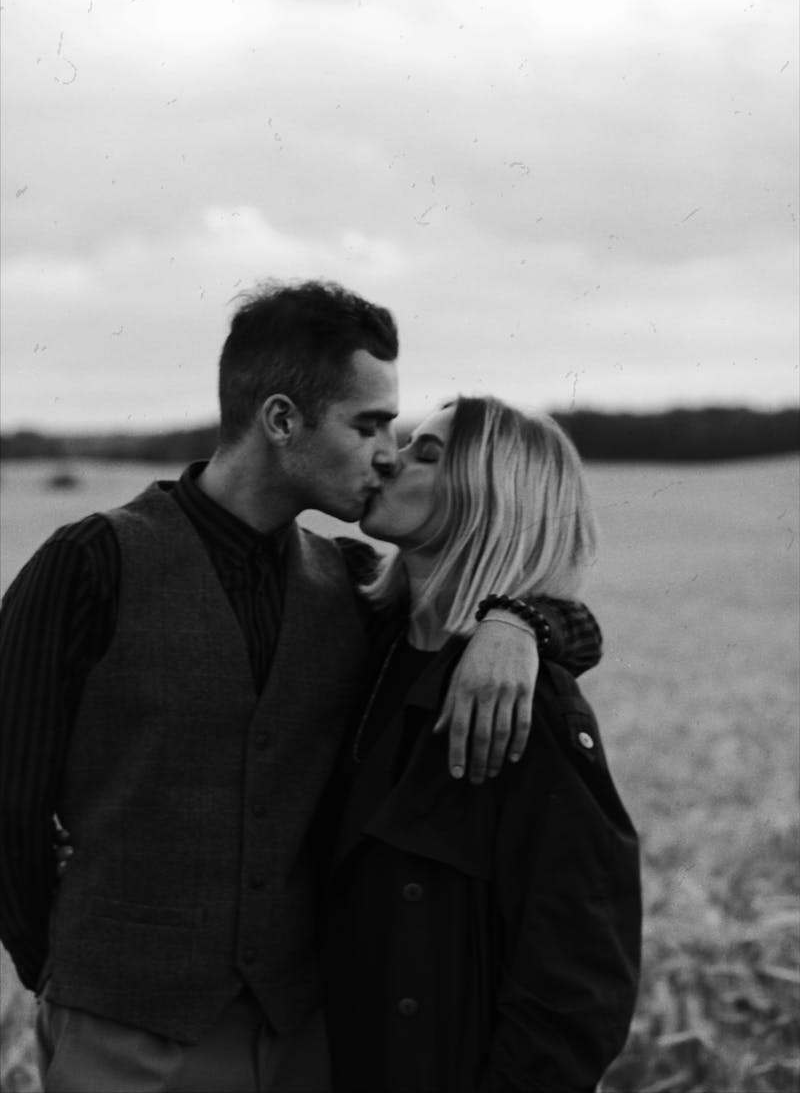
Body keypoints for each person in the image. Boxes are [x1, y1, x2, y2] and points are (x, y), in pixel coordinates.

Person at [0, 281, 602, 1093]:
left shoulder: (351, 586)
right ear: (282, 421)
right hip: (121, 1032)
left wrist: (520, 622)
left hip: (305, 1040)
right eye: (368, 424)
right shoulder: (90, 563)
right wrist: (64, 972)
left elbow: (543, 622)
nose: (387, 450)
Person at [321, 396, 641, 1093]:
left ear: (492, 500)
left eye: (426, 454)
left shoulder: (531, 706)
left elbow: (578, 984)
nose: (387, 458)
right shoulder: (353, 627)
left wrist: (523, 622)